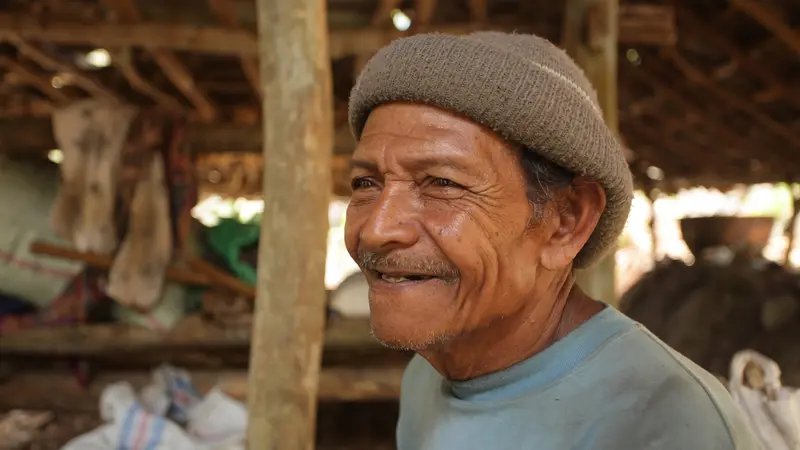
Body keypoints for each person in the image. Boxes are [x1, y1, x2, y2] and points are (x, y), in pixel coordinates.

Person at [343, 31, 762, 449]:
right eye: (365, 183)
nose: (378, 229)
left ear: (567, 221)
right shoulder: (427, 375)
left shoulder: (667, 422)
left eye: (442, 183)